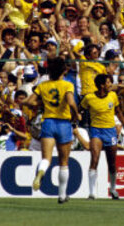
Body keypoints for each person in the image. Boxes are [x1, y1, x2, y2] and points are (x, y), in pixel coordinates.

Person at [25, 56, 80, 204]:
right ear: (64, 70)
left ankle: (41, 172)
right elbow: (70, 101)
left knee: (46, 158)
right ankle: (62, 195)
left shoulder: (43, 85)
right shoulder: (67, 85)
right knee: (63, 161)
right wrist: (76, 113)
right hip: (63, 123)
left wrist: (41, 103)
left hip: (48, 122)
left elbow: (30, 102)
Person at [80, 74, 124, 200]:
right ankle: (92, 193)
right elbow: (79, 110)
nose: (111, 85)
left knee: (112, 163)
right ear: (102, 85)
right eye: (109, 82)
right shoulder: (89, 98)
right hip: (96, 130)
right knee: (95, 158)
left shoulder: (113, 96)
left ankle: (113, 189)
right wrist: (76, 121)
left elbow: (118, 112)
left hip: (110, 131)